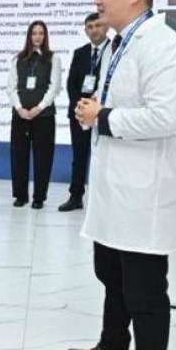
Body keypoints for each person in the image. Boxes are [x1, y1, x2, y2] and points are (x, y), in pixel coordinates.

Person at [68, 0, 176, 350]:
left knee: (144, 288)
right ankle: (112, 348)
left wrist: (102, 117)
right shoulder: (121, 43)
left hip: (144, 193)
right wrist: (101, 111)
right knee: (112, 274)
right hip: (116, 189)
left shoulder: (164, 47)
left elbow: (166, 117)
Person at [7, 20, 62, 209]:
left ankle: (39, 197)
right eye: (34, 33)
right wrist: (19, 108)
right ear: (29, 36)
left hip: (44, 116)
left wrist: (39, 108)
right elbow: (11, 88)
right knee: (19, 155)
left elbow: (54, 87)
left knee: (43, 157)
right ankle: (21, 195)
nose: (37, 36)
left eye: (41, 33)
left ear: (45, 36)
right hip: (20, 116)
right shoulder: (18, 59)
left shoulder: (53, 58)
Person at [59, 13, 110, 212]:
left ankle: (103, 201)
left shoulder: (114, 51)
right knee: (79, 156)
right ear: (85, 30)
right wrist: (79, 107)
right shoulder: (80, 52)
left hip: (102, 113)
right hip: (79, 114)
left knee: (105, 157)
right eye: (89, 26)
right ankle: (75, 197)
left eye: (98, 25)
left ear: (106, 27)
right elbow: (71, 83)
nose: (94, 29)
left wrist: (95, 106)